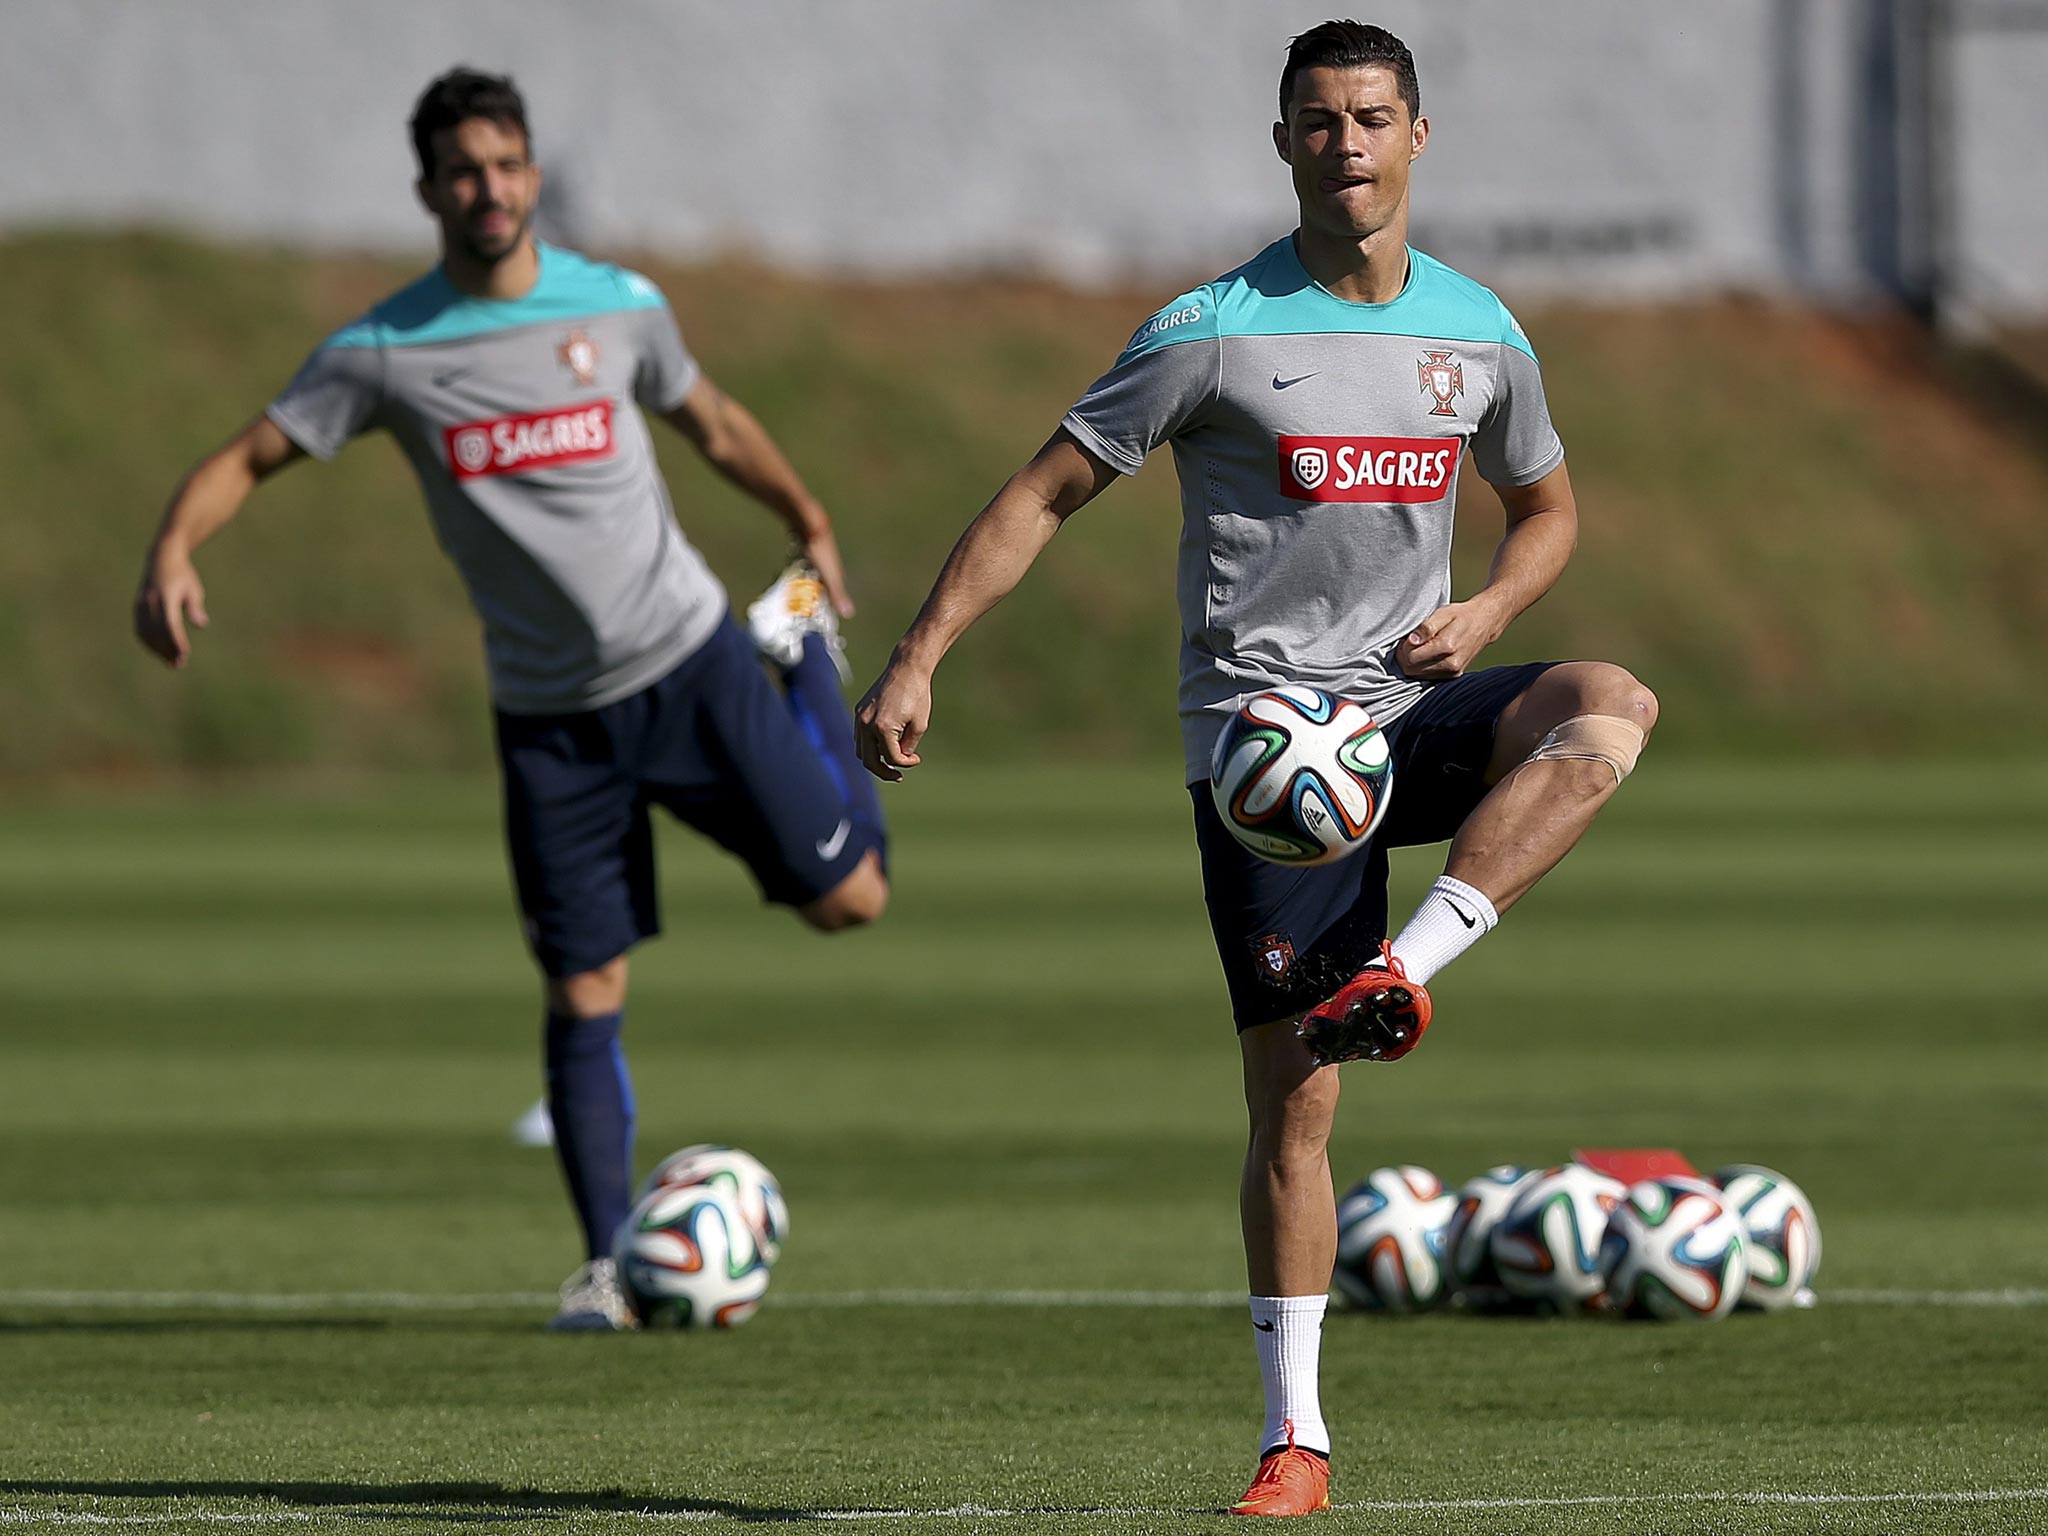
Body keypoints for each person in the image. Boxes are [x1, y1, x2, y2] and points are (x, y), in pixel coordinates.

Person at [855, 20, 1654, 1518]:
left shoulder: (1478, 332)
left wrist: (1486, 610)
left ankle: (1403, 973)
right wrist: (919, 653)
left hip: (1402, 709)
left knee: (1606, 707)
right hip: (1262, 754)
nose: (1344, 143)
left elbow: (1545, 510)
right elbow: (1041, 493)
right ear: (1281, 143)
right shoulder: (1210, 329)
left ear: (1418, 137)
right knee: (1294, 1103)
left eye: (1370, 117)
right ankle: (1298, 1442)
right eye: (1317, 121)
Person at [133, 68, 888, 1332]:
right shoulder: (381, 352)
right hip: (549, 725)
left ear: (533, 172)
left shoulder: (618, 308)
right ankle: (609, 1267)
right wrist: (171, 550)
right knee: (582, 985)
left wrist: (805, 519)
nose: (488, 188)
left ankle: (799, 648)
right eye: (463, 170)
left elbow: (709, 419)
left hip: (692, 664)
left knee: (852, 900)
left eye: (505, 163)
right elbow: (247, 455)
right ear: (428, 189)